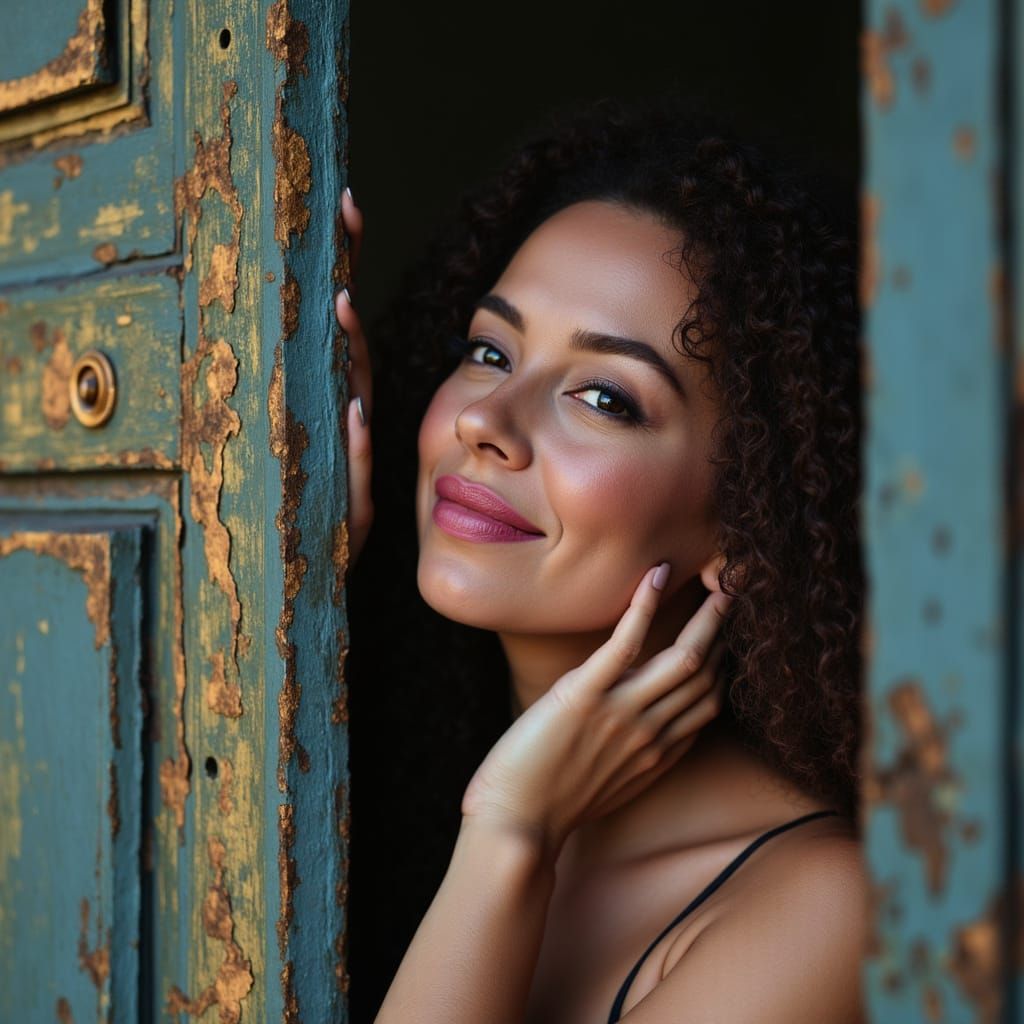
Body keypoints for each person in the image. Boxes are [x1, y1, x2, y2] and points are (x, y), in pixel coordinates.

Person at [337, 99, 866, 1023]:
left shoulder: (822, 908)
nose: (483, 421)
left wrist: (510, 837)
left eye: (605, 398)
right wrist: (287, 571)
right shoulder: (381, 754)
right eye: (489, 350)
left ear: (750, 520)